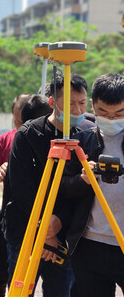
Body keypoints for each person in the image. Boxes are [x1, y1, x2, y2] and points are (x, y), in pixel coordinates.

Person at [3, 72, 92, 297]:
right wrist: (45, 230)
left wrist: (58, 224)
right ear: (52, 102)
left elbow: (83, 190)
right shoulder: (27, 135)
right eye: (70, 104)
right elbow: (22, 189)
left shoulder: (86, 136)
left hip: (64, 236)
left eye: (82, 103)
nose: (78, 111)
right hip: (25, 231)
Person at [0, 94, 50, 297]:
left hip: (46, 218)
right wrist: (0, 170)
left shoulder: (51, 137)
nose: (20, 124)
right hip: (14, 215)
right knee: (2, 273)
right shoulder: (6, 139)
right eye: (17, 121)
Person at [60, 73, 124, 297]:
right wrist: (83, 180)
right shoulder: (83, 142)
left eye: (119, 114)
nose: (111, 119)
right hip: (89, 245)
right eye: (104, 113)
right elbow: (63, 188)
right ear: (93, 106)